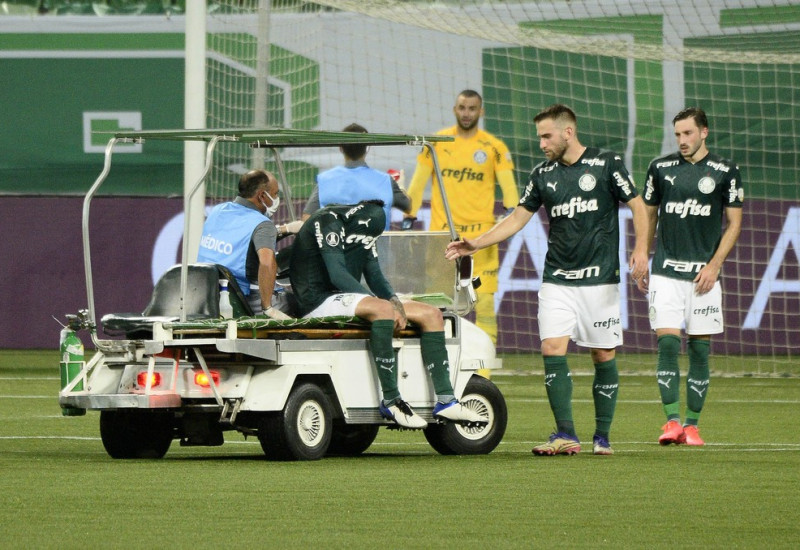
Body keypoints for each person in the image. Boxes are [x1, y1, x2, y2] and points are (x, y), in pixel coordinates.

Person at [445, 104, 650, 456]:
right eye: (539, 136)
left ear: (568, 132)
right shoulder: (542, 175)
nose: (541, 143)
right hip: (557, 278)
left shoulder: (606, 164)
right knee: (552, 349)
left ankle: (603, 437)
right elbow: (517, 218)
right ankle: (565, 433)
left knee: (602, 353)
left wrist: (642, 249)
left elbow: (639, 205)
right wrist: (475, 243)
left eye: (546, 136)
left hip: (600, 280)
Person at [290, 200, 485, 429]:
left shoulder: (367, 230)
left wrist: (394, 301)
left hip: (344, 298)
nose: (368, 240)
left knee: (432, 314)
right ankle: (391, 399)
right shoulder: (328, 221)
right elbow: (337, 274)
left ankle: (446, 400)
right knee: (382, 309)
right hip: (317, 300)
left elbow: (374, 274)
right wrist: (382, 305)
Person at [638, 107, 743, 447]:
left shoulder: (726, 171)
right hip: (666, 272)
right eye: (678, 134)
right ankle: (671, 422)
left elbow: (735, 224)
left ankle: (692, 426)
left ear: (704, 132)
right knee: (667, 343)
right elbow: (648, 216)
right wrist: (642, 254)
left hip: (703, 277)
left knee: (699, 351)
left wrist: (714, 266)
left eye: (688, 133)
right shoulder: (660, 168)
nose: (682, 140)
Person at [403, 89, 519, 356]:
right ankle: (439, 362)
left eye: (472, 108)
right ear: (455, 109)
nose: (466, 113)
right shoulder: (436, 142)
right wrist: (409, 213)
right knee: (437, 306)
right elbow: (419, 181)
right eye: (462, 108)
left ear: (481, 111)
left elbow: (510, 190)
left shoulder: (494, 147)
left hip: (481, 241)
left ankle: (485, 370)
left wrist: (512, 211)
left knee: (486, 305)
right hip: (443, 238)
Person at [197, 169, 301, 318]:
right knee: (301, 305)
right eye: (276, 193)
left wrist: (286, 229)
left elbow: (243, 238)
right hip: (244, 300)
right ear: (262, 196)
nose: (277, 198)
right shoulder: (262, 224)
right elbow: (266, 263)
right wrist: (267, 308)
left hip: (208, 294)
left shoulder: (218, 211)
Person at [302, 122, 411, 229]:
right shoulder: (386, 181)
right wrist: (401, 187)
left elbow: (307, 220)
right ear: (367, 148)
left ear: (341, 148)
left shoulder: (324, 180)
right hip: (377, 247)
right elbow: (408, 207)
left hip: (334, 246)